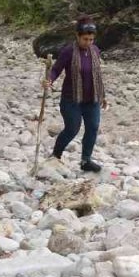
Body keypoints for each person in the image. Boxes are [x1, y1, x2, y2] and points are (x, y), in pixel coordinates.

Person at [43, 16, 108, 172]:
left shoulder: (95, 51)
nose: (88, 42)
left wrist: (103, 96)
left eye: (91, 39)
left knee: (93, 127)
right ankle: (56, 155)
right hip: (71, 99)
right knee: (72, 128)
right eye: (85, 39)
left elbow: (97, 75)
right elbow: (56, 69)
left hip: (92, 99)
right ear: (77, 36)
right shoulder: (68, 52)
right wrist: (49, 80)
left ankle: (86, 161)